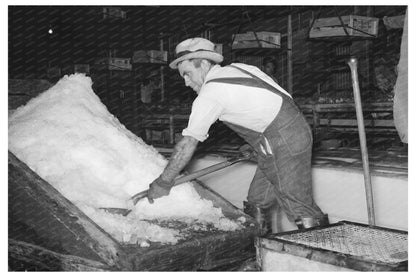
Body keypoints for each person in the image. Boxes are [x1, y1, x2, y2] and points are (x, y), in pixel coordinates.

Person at [146, 37, 327, 231]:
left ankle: (324, 254)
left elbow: (187, 143)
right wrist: (258, 143)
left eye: (188, 74)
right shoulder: (239, 68)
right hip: (287, 132)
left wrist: (164, 181)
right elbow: (272, 101)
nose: (186, 82)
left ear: (204, 63)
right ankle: (261, 249)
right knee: (258, 201)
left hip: (282, 141)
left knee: (297, 204)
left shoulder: (210, 94)